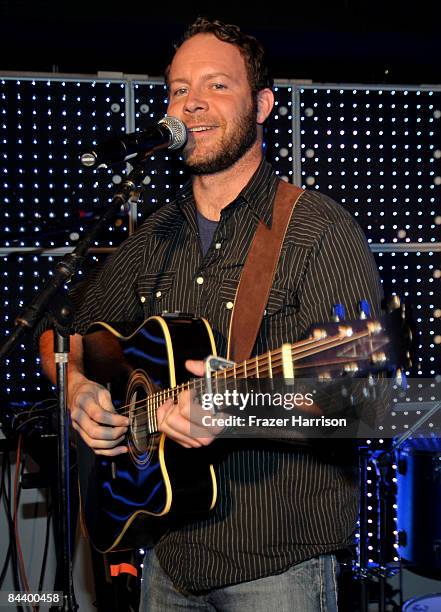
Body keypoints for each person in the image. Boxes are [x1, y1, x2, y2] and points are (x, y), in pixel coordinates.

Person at [39, 18, 383, 611]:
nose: (191, 101)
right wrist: (74, 390)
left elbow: (359, 395)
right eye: (177, 89)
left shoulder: (317, 230)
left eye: (217, 85)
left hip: (279, 569)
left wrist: (238, 406)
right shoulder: (154, 237)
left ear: (264, 106)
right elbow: (60, 335)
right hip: (168, 559)